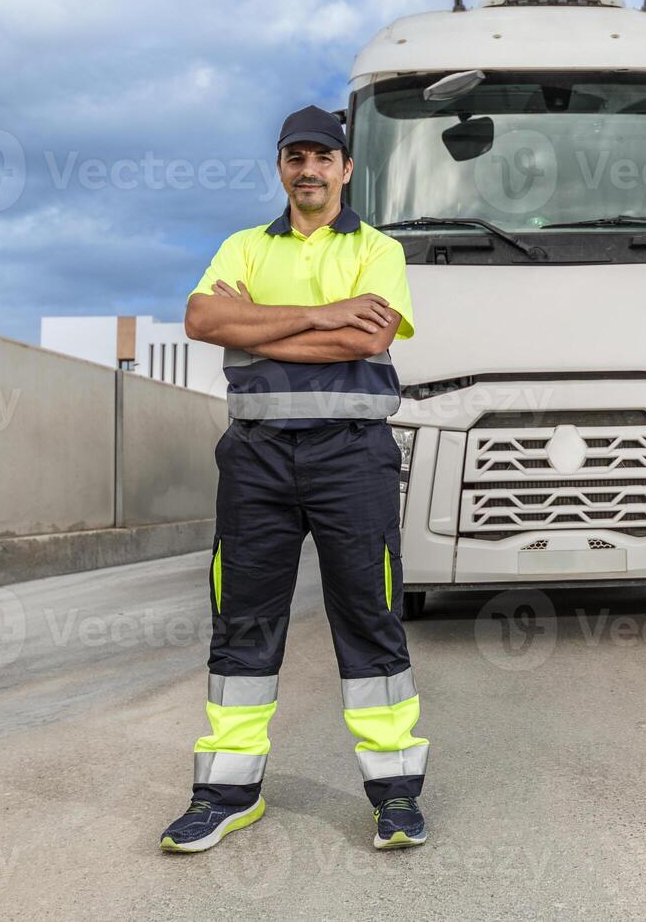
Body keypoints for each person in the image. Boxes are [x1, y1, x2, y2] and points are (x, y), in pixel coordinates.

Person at [159, 105, 428, 853]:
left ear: (345, 169)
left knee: (368, 619)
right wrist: (324, 315)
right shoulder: (243, 245)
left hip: (353, 455)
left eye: (321, 157)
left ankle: (396, 796)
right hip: (256, 458)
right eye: (294, 156)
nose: (307, 169)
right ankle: (225, 794)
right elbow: (201, 320)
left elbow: (369, 334)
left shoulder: (380, 249)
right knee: (242, 621)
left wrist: (262, 322)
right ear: (280, 167)